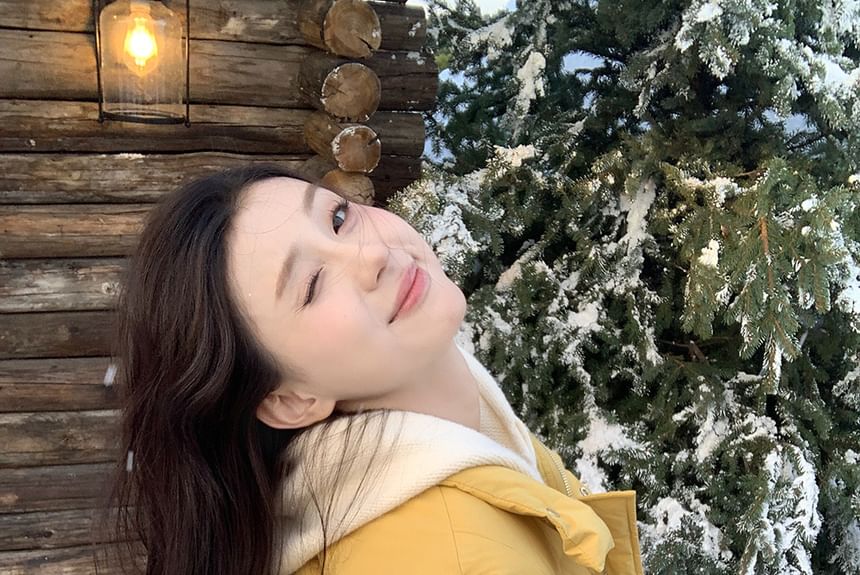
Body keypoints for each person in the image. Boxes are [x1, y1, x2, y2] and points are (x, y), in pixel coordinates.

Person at [101, 165, 644, 575]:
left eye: (338, 218)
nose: (371, 256)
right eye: (312, 285)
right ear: (289, 400)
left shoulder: (474, 437)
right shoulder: (447, 557)